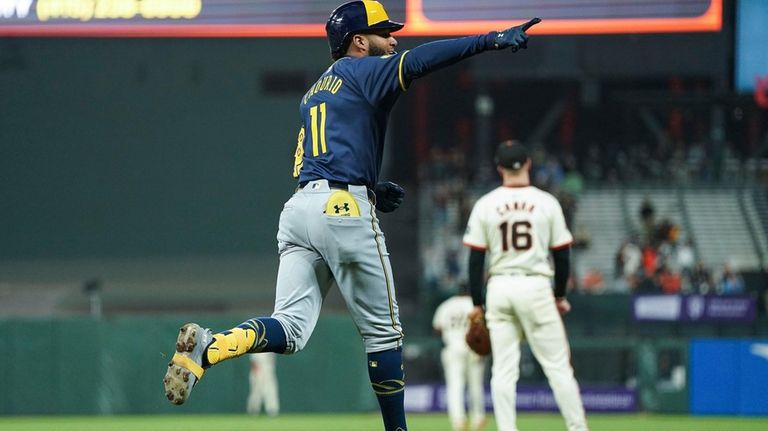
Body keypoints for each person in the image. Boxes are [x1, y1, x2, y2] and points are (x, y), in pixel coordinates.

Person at [162, 2, 541, 430]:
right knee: (384, 337)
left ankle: (210, 348)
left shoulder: (315, 92)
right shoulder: (363, 71)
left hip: (300, 209)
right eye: (383, 32)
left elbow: (319, 159)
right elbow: (421, 60)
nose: (393, 38)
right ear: (359, 41)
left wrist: (372, 189)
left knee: (289, 329)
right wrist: (489, 40)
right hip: (342, 207)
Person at [463, 141, 589, 431]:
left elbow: (475, 260)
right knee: (558, 367)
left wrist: (477, 305)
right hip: (535, 285)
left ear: (499, 168)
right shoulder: (546, 202)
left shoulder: (486, 203)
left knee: (503, 371)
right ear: (529, 164)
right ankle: (577, 427)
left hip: (500, 287)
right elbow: (562, 254)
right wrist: (559, 295)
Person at [432, 285, 487, 431]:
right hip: (473, 349)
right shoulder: (475, 305)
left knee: (455, 386)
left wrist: (452, 332)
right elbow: (485, 328)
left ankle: (458, 420)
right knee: (476, 385)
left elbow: (437, 327)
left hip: (453, 347)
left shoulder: (447, 305)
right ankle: (478, 417)